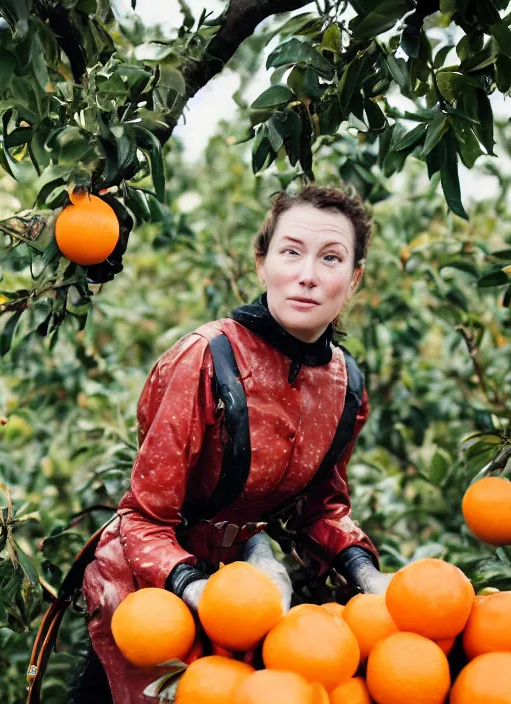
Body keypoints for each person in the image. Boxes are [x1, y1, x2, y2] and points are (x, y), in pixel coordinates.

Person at [79, 184, 392, 703]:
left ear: (354, 278)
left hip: (248, 590)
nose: (307, 274)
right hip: (149, 589)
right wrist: (194, 588)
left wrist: (365, 572)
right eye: (290, 252)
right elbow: (143, 518)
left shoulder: (345, 384)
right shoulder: (206, 360)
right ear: (262, 262)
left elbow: (321, 510)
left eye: (331, 257)